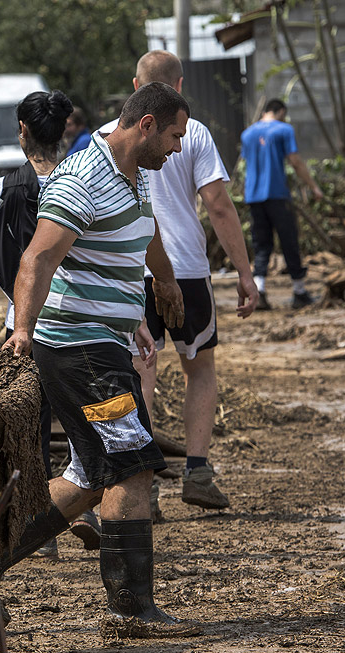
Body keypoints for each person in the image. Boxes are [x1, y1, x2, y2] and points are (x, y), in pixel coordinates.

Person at [0, 82, 200, 635]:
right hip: (78, 347)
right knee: (133, 462)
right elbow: (37, 258)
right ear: (148, 125)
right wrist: (21, 331)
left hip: (100, 342)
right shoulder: (83, 178)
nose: (179, 148)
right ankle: (132, 610)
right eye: (176, 135)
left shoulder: (138, 173)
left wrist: (161, 279)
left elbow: (143, 229)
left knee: (90, 475)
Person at [101, 50, 258, 511]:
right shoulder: (197, 133)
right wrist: (245, 272)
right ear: (181, 86)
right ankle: (197, 471)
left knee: (140, 373)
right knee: (200, 368)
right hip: (186, 268)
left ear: (136, 86)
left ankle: (143, 485)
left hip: (132, 271)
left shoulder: (110, 135)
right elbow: (219, 204)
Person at [0, 89, 101, 558]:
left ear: (21, 131)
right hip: (79, 321)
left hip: (21, 326)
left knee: (29, 426)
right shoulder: (81, 184)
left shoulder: (1, 190)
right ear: (65, 129)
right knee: (82, 414)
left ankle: (36, 525)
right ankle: (82, 504)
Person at [240, 98, 324, 310]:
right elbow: (295, 161)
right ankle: (299, 291)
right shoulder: (284, 130)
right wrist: (313, 186)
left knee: (261, 244)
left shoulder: (248, 134)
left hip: (254, 197)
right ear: (280, 111)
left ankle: (259, 291)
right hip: (276, 194)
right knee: (289, 241)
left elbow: (246, 163)